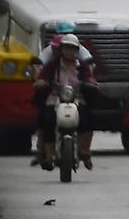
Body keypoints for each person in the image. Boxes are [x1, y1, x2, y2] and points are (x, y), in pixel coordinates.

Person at [31, 24, 98, 171]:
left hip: (76, 98)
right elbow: (42, 76)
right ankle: (49, 155)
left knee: (86, 119)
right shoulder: (52, 65)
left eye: (72, 49)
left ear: (77, 50)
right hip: (55, 99)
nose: (69, 52)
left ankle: (84, 150)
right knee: (48, 120)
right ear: (61, 49)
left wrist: (91, 82)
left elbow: (89, 77)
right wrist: (41, 82)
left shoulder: (82, 66)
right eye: (66, 48)